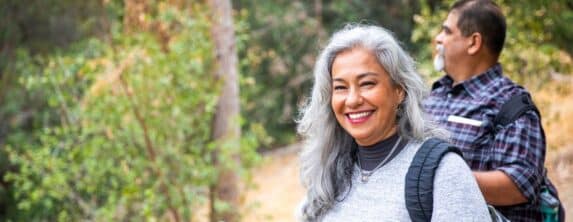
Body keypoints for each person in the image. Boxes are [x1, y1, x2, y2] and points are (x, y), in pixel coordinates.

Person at [296, 24, 491, 221]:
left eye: (367, 84)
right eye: (340, 87)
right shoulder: (328, 171)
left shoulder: (443, 171)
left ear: (399, 91)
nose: (352, 100)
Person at [424, 0, 564, 221]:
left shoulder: (511, 103)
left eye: (447, 31)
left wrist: (437, 179)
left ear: (473, 43)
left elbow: (519, 184)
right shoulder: (434, 95)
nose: (438, 39)